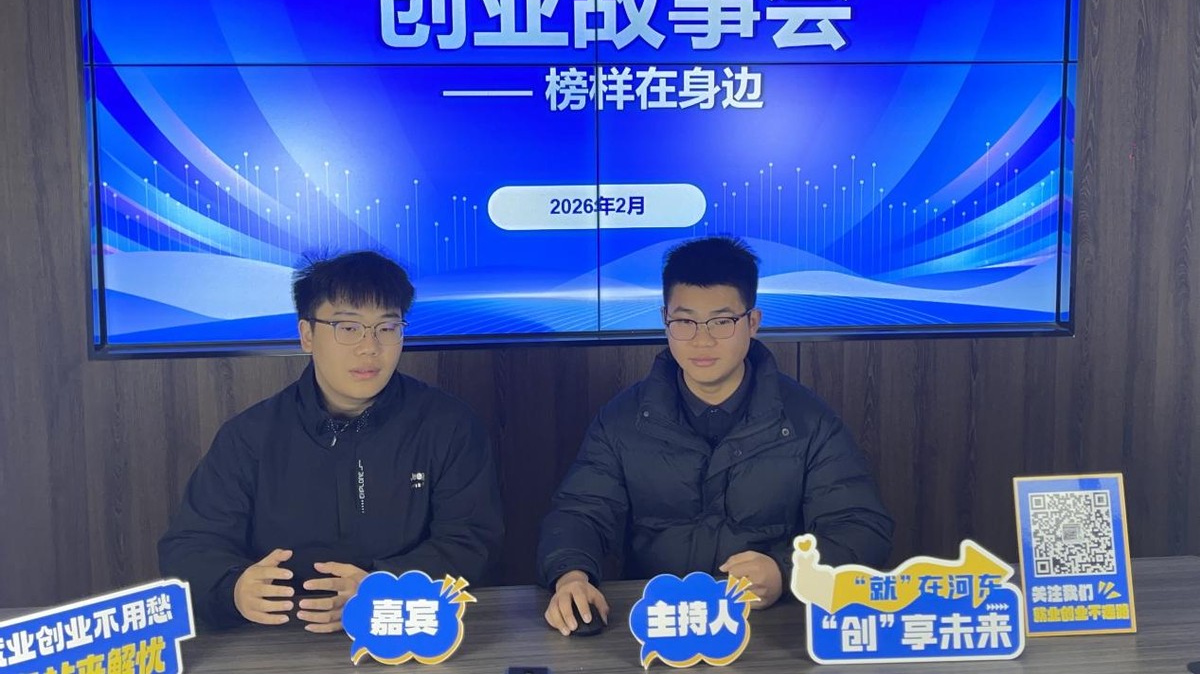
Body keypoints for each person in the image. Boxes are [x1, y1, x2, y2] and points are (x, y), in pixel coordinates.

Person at [538, 236, 893, 634]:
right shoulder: (622, 421)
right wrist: (571, 575)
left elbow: (861, 528)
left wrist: (784, 572)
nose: (702, 340)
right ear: (665, 320)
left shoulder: (808, 422)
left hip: (767, 625)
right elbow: (580, 513)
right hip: (657, 624)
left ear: (752, 322)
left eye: (722, 322)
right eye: (685, 321)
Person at [159, 250, 503, 632]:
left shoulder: (448, 425)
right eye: (348, 327)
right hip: (282, 637)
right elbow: (189, 546)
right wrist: (234, 588)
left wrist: (380, 587)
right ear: (307, 334)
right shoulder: (250, 436)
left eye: (387, 328)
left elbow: (471, 541)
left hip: (402, 633)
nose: (370, 347)